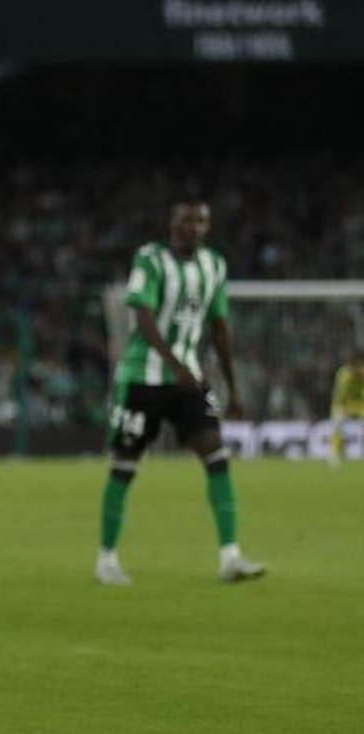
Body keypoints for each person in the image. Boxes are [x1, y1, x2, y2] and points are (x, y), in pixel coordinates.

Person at [96, 199, 265, 585]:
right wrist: (174, 366)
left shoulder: (215, 266)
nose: (195, 227)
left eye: (202, 221)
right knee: (125, 464)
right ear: (172, 223)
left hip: (192, 381)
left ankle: (230, 557)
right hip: (144, 378)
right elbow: (142, 316)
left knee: (217, 453)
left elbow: (220, 327)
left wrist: (231, 388)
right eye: (188, 220)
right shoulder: (150, 260)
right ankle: (106, 559)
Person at [328, 347, 364, 467]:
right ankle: (334, 453)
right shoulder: (344, 375)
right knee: (337, 423)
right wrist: (343, 410)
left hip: (360, 404)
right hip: (344, 404)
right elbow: (340, 396)